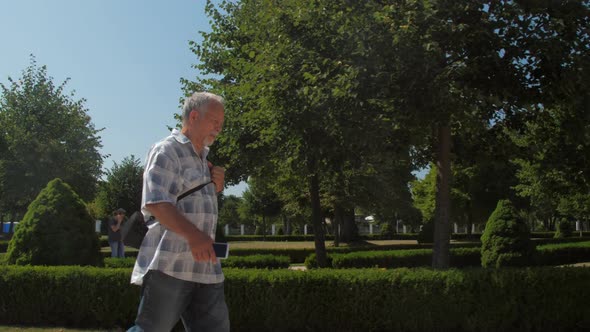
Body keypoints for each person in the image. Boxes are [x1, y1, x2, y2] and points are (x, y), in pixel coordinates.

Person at [128, 92, 228, 332]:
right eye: (214, 121)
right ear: (194, 116)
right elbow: (156, 202)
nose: (219, 128)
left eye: (221, 124)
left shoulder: (204, 160)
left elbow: (194, 205)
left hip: (205, 267)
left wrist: (217, 187)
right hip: (170, 263)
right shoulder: (167, 150)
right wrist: (195, 236)